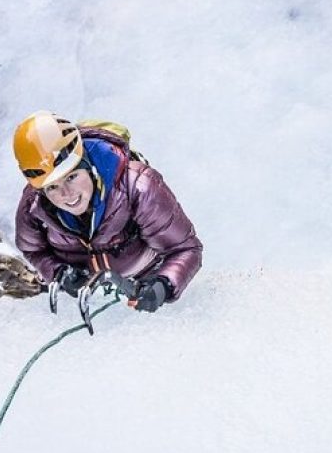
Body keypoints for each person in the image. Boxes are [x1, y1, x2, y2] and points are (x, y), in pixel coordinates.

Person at [14, 111, 203, 312]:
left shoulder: (138, 187)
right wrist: (59, 272)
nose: (67, 194)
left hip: (143, 284)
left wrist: (162, 286)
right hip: (82, 299)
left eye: (72, 177)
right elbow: (33, 249)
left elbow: (185, 248)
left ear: (87, 164)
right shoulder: (34, 206)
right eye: (52, 187)